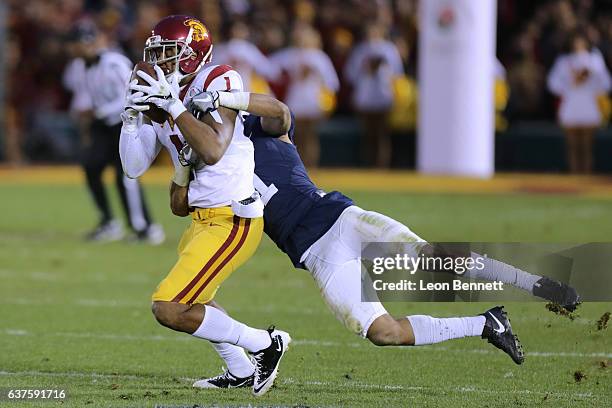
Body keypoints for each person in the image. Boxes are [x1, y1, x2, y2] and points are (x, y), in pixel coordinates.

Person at [179, 90, 582, 387]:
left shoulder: (256, 130)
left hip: (341, 219)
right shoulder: (208, 163)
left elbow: (281, 113)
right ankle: (485, 324)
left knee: (435, 260)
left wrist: (234, 97)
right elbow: (181, 204)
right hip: (316, 255)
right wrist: (184, 166)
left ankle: (536, 283)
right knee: (383, 333)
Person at [118, 15, 290, 396]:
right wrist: (131, 118)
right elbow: (132, 167)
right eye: (154, 55)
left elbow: (213, 149)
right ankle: (240, 370)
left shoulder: (217, 80)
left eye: (167, 54)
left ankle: (265, 343)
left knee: (170, 306)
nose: (160, 63)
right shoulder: (163, 97)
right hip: (203, 218)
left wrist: (172, 104)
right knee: (201, 299)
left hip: (233, 217)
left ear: (192, 54)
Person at [63, 21, 164, 243]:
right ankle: (109, 222)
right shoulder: (82, 67)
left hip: (124, 123)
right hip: (104, 125)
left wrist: (98, 112)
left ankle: (145, 228)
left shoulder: (113, 63)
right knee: (91, 167)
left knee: (126, 177)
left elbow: (132, 93)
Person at [271, 24, 339, 168]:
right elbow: (270, 67)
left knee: (310, 135)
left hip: (313, 100)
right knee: (296, 135)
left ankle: (311, 166)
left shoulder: (319, 57)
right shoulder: (291, 54)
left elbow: (332, 82)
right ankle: (299, 166)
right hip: (296, 99)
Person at [547, 31, 612, 174]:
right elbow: (552, 83)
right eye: (576, 41)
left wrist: (591, 80)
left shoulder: (594, 60)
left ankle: (587, 176)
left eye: (581, 41)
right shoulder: (563, 61)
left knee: (587, 146)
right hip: (571, 106)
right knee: (572, 145)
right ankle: (574, 175)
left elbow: (606, 83)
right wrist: (569, 86)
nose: (578, 45)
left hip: (589, 106)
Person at [344, 23, 404, 168]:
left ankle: (382, 165)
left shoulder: (389, 49)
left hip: (384, 96)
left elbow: (397, 73)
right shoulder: (360, 50)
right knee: (368, 134)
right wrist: (365, 70)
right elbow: (350, 74)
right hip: (365, 97)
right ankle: (369, 165)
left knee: (382, 134)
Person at [213, 21, 280, 94]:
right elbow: (272, 72)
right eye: (237, 29)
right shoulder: (246, 49)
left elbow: (271, 72)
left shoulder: (220, 49)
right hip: (245, 94)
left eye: (241, 29)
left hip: (224, 93)